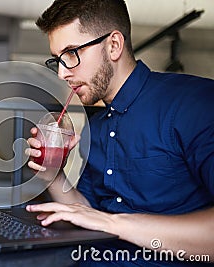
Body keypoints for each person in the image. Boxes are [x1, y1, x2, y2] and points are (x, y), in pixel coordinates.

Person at [25, 0, 214, 265]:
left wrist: (115, 224)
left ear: (113, 45)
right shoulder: (98, 126)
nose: (62, 73)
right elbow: (88, 212)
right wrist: (53, 177)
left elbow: (105, 221)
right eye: (57, 60)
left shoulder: (196, 103)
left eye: (71, 54)